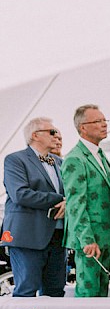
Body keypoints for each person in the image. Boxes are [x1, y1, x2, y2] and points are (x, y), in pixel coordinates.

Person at [1, 118, 67, 297]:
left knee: (56, 292)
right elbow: (20, 194)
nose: (57, 136)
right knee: (26, 291)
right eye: (52, 132)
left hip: (58, 236)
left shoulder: (60, 162)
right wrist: (61, 199)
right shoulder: (15, 159)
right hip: (27, 236)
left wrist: (69, 202)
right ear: (35, 135)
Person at [62, 105, 110, 297]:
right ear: (82, 127)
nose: (103, 125)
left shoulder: (100, 155)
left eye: (104, 121)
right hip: (90, 239)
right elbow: (75, 204)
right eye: (97, 121)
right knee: (88, 292)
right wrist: (86, 239)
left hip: (106, 236)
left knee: (102, 292)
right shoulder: (75, 159)